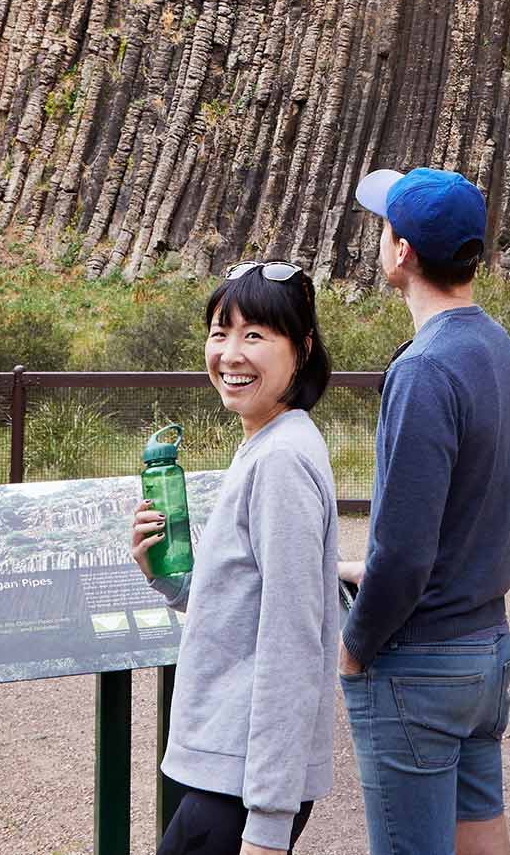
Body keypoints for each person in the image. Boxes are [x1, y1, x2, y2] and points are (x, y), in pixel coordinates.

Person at [341, 166, 510, 855]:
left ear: (402, 252)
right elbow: (470, 508)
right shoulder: (495, 347)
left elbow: (407, 551)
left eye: (385, 225)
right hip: (486, 651)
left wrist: (355, 648)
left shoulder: (423, 370)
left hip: (420, 665)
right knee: (482, 838)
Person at [128, 259, 340, 855]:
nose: (230, 353)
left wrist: (268, 826)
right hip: (231, 767)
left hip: (245, 783)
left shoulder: (280, 462)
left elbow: (292, 643)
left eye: (255, 335)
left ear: (301, 349)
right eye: (221, 332)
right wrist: (166, 580)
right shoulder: (269, 442)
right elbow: (241, 609)